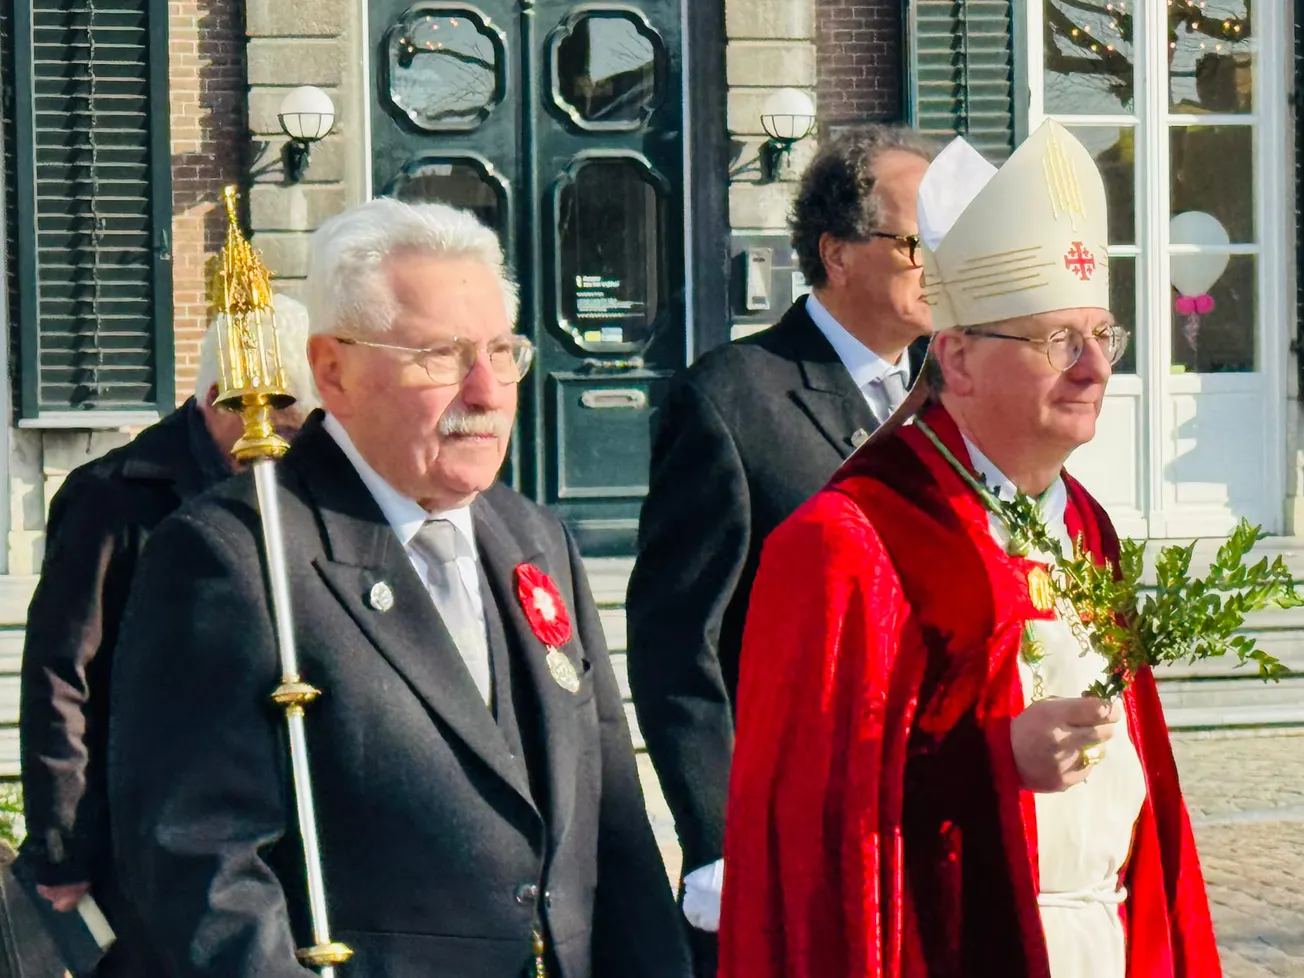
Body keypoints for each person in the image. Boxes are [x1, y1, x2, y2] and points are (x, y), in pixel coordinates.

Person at [107, 198, 690, 978]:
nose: (486, 391)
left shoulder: (533, 537)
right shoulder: (239, 554)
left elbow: (611, 816)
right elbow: (201, 866)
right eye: (441, 357)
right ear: (333, 371)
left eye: (502, 352)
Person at [719, 121, 1220, 978]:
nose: (1094, 368)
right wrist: (993, 760)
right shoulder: (851, 543)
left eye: (1104, 336)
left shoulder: (1086, 527)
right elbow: (809, 824)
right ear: (954, 356)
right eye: (1057, 340)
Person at [624, 125, 937, 974]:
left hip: (930, 821)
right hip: (795, 827)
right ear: (837, 253)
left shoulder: (955, 390)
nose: (941, 261)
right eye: (918, 239)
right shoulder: (730, 398)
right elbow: (676, 643)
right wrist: (718, 841)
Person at [17, 293, 316, 976]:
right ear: (221, 398)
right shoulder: (112, 497)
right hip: (150, 829)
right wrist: (64, 847)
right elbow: (63, 673)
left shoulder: (304, 486)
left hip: (276, 825)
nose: (287, 444)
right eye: (279, 421)